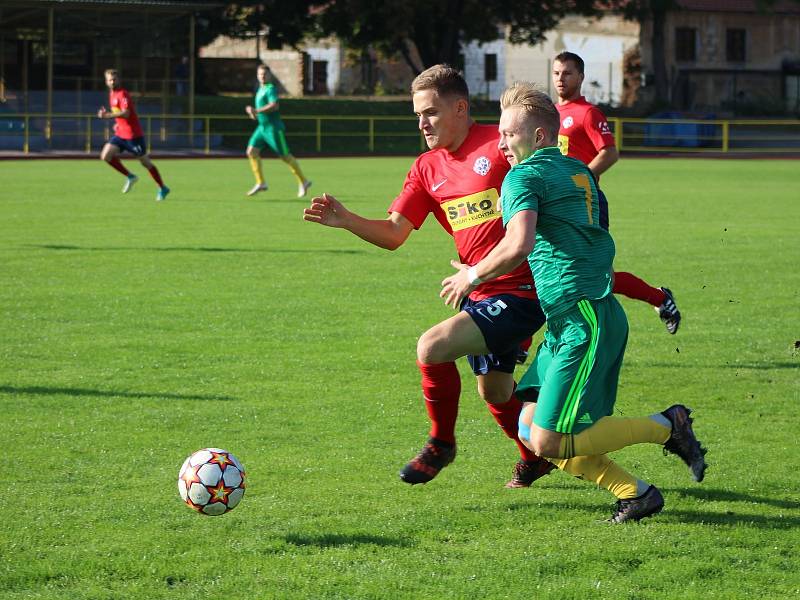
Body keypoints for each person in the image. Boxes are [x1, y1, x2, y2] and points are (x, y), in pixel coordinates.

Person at [440, 82, 707, 523]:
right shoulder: (580, 173)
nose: (502, 142)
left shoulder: (523, 176)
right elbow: (583, 239)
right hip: (574, 317)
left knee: (546, 440)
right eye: (501, 133)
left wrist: (472, 274)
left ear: (540, 137)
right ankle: (635, 493)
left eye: (509, 133)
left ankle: (667, 424)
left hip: (583, 319)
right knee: (527, 424)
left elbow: (520, 243)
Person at [303, 65, 554, 488]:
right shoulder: (426, 168)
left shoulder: (503, 144)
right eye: (418, 114)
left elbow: (555, 178)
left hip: (525, 289)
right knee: (494, 392)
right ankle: (535, 456)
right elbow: (394, 233)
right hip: (479, 291)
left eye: (431, 113)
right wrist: (347, 220)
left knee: (432, 347)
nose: (422, 123)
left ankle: (441, 444)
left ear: (460, 108)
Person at [552, 51, 681, 334]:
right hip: (557, 205)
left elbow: (610, 153)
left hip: (586, 203)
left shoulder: (587, 113)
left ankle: (660, 298)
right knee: (548, 268)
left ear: (581, 77)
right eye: (557, 73)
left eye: (568, 73)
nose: (561, 79)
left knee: (600, 277)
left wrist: (579, 179)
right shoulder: (550, 114)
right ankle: (521, 343)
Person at [97, 69, 169, 202]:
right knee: (105, 155)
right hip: (120, 134)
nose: (112, 81)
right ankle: (130, 176)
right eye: (109, 80)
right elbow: (120, 114)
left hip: (133, 136)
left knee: (146, 163)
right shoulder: (112, 94)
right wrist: (117, 124)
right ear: (106, 82)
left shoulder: (123, 94)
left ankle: (162, 187)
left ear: (119, 80)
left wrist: (107, 116)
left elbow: (126, 113)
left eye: (114, 79)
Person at [245, 64, 312, 198]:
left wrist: (256, 111)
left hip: (273, 128)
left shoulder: (270, 89)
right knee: (251, 151)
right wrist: (252, 113)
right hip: (262, 128)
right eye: (260, 74)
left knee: (285, 156)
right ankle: (261, 183)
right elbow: (260, 112)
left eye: (264, 74)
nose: (262, 77)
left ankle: (303, 181)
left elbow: (274, 105)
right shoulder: (260, 89)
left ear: (269, 75)